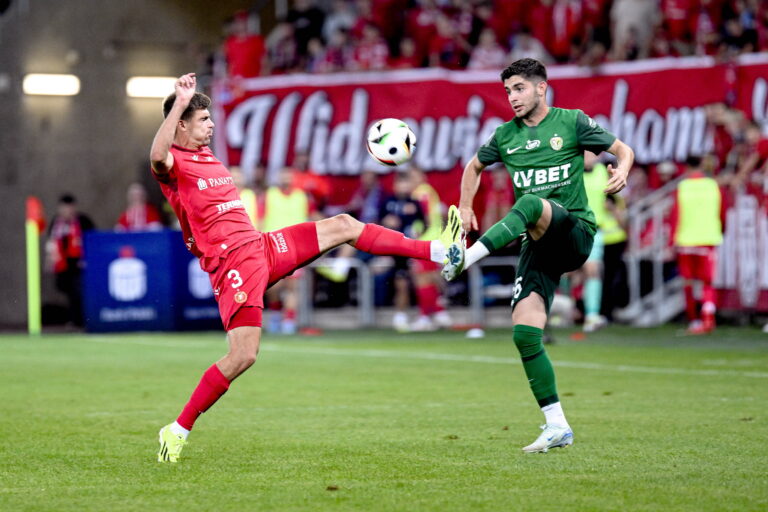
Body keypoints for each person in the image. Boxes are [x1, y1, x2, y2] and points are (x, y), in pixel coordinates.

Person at [149, 73, 458, 463]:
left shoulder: (208, 156)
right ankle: (177, 429)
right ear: (181, 124)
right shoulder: (174, 165)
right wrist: (179, 101)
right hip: (233, 264)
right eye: (203, 120)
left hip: (262, 246)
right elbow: (157, 156)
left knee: (344, 225)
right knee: (243, 356)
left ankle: (437, 250)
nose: (211, 125)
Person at [440, 59, 634, 453]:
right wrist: (464, 206)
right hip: (538, 242)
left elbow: (621, 149)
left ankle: (465, 257)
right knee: (525, 332)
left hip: (575, 230)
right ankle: (556, 425)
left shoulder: (572, 122)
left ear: (541, 88)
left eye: (519, 89)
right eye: (508, 90)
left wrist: (623, 169)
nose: (512, 97)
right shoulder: (505, 137)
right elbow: (473, 166)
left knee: (530, 202)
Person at [670, 156, 724, 335]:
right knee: (707, 282)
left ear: (686, 168)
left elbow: (675, 216)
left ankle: (693, 320)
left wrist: (672, 241)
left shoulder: (683, 187)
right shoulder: (713, 185)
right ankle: (708, 319)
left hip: (686, 241)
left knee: (688, 283)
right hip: (707, 240)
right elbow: (722, 212)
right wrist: (721, 229)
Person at [46, 194, 95, 327]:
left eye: (69, 207)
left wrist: (88, 259)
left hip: (79, 264)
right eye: (63, 208)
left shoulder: (83, 221)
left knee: (78, 291)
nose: (67, 211)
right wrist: (50, 260)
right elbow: (51, 243)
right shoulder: (56, 223)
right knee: (68, 292)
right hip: (64, 265)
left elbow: (92, 240)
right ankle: (74, 320)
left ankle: (82, 321)